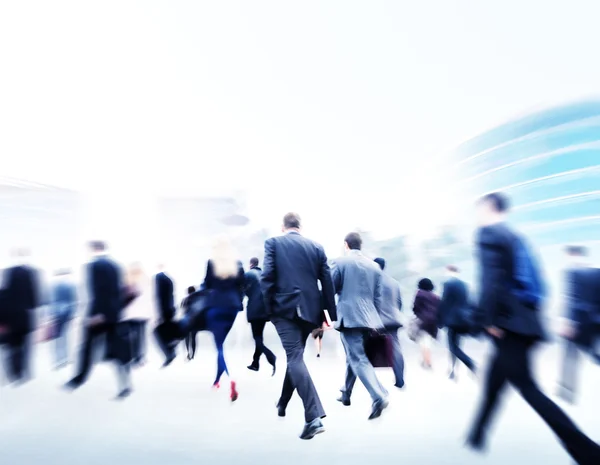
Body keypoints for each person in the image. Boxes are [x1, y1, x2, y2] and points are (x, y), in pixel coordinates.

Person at [466, 192, 600, 465]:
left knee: (527, 387)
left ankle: (588, 452)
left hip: (508, 323)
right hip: (526, 321)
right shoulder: (516, 237)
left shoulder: (488, 234)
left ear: (491, 208)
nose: (477, 214)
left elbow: (489, 280)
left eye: (479, 209)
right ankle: (476, 433)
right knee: (498, 373)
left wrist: (486, 319)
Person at [260, 212, 336, 440]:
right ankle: (283, 402)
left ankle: (313, 417)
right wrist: (329, 315)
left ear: (283, 227)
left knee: (294, 358)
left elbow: (267, 277)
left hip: (284, 309)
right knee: (296, 357)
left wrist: (267, 309)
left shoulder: (273, 243)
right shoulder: (316, 247)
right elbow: (327, 282)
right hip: (310, 311)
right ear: (300, 227)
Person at [65, 241, 132, 399]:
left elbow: (98, 291)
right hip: (114, 314)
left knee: (87, 347)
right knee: (117, 348)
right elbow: (118, 291)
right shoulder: (116, 266)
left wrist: (97, 314)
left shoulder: (93, 266)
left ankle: (78, 379)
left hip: (99, 314)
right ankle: (125, 383)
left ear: (94, 249)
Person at [333, 233, 389, 420]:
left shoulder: (340, 263)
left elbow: (331, 288)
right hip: (370, 319)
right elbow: (378, 297)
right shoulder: (374, 266)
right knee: (355, 356)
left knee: (357, 358)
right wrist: (377, 322)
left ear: (346, 244)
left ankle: (378, 396)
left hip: (349, 318)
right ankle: (346, 393)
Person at [202, 237, 244, 402]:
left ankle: (229, 378)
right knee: (221, 346)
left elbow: (207, 284)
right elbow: (242, 285)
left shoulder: (212, 262)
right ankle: (217, 381)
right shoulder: (237, 263)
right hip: (232, 307)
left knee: (219, 347)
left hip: (215, 305)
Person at [557, 246, 600, 403]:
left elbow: (572, 299)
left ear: (573, 255)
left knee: (570, 353)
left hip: (580, 321)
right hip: (596, 320)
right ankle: (566, 389)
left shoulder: (572, 272)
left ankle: (566, 390)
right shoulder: (597, 272)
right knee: (590, 352)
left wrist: (568, 322)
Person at [0, 247, 41, 383]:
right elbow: (35, 298)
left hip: (10, 316)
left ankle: (15, 373)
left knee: (12, 345)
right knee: (25, 345)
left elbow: (3, 296)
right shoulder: (33, 273)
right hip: (25, 315)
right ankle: (24, 371)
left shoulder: (7, 272)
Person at [438, 265, 476, 380]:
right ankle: (453, 370)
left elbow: (444, 303)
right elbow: (469, 302)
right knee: (455, 346)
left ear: (449, 271)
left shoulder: (448, 284)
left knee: (453, 347)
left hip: (452, 320)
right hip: (463, 319)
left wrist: (440, 320)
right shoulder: (464, 285)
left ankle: (470, 363)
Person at [373, 257, 405, 389]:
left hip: (378, 321)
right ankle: (400, 379)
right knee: (396, 349)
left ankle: (372, 383)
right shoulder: (394, 282)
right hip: (393, 319)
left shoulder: (372, 282)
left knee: (365, 349)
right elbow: (399, 303)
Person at [245, 257, 276, 374]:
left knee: (257, 338)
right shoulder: (264, 275)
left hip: (254, 309)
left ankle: (271, 356)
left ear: (250, 264)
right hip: (264, 310)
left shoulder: (248, 274)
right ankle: (255, 363)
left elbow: (243, 290)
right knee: (259, 337)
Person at [122, 262, 152, 367]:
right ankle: (140, 357)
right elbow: (149, 298)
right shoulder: (146, 280)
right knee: (141, 336)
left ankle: (134, 356)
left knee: (132, 336)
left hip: (130, 314)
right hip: (142, 314)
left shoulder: (127, 280)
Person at [50, 269, 77, 369]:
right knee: (66, 335)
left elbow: (50, 300)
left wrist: (50, 314)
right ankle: (66, 357)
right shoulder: (71, 285)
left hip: (56, 312)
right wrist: (74, 314)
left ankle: (58, 359)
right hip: (67, 311)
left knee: (57, 337)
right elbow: (74, 300)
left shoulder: (53, 285)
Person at [412, 278, 440, 369]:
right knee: (427, 341)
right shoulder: (435, 296)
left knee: (424, 342)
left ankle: (427, 362)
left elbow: (415, 308)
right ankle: (426, 360)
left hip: (423, 321)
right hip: (434, 323)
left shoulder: (419, 294)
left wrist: (418, 315)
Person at [154, 263, 177, 366]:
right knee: (166, 331)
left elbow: (159, 296)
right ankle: (171, 349)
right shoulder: (169, 279)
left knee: (157, 332)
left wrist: (158, 313)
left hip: (164, 309)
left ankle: (169, 353)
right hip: (170, 309)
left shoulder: (158, 278)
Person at [181, 286, 198, 360]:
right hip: (194, 321)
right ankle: (192, 354)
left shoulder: (185, 300)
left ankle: (188, 353)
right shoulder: (197, 300)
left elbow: (183, 310)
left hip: (187, 321)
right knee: (193, 338)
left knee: (187, 338)